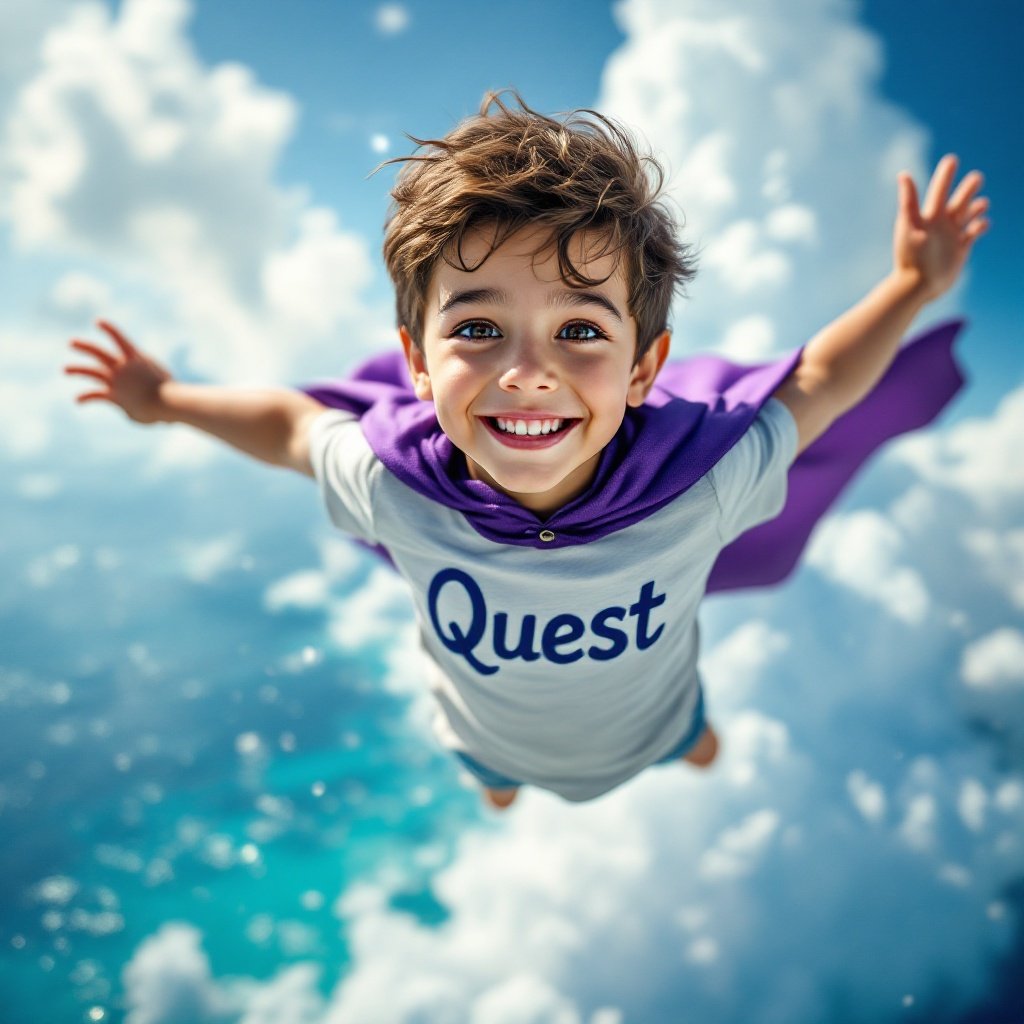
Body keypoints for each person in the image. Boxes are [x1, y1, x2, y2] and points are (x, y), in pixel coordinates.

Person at [64, 93, 988, 811]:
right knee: (493, 775)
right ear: (417, 365)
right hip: (484, 734)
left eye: (581, 330)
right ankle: (502, 781)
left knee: (693, 743)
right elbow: (291, 426)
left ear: (644, 367)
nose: (530, 371)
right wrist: (164, 401)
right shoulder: (395, 484)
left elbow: (820, 381)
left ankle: (687, 747)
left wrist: (909, 285)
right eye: (479, 326)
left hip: (654, 721)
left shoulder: (702, 483)